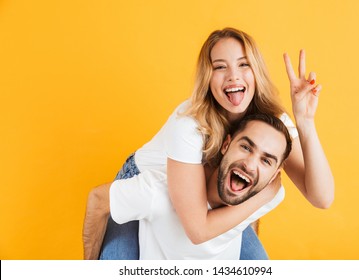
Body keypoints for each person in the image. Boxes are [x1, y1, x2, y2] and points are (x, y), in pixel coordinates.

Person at [86, 27, 334, 260]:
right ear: (208, 76)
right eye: (220, 67)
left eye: (243, 64)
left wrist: (305, 123)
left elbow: (321, 198)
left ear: (256, 71)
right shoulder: (189, 124)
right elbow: (198, 229)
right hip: (147, 187)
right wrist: (263, 195)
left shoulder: (273, 125)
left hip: (206, 199)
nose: (233, 76)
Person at [84, 113, 292, 259]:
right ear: (226, 145)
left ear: (274, 175)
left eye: (266, 160)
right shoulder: (159, 191)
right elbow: (97, 199)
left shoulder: (269, 193)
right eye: (246, 147)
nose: (250, 164)